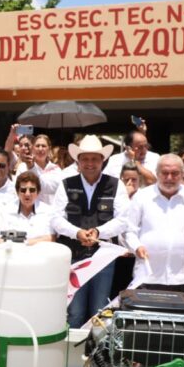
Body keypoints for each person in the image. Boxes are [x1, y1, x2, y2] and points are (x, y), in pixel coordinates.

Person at [53, 135, 130, 327]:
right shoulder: (66, 184)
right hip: (74, 255)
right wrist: (76, 232)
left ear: (102, 161)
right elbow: (55, 218)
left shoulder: (115, 185)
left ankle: (96, 356)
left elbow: (124, 219)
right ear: (77, 161)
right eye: (85, 159)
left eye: (94, 159)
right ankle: (71, 355)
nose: (89, 163)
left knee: (99, 311)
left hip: (103, 256)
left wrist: (98, 231)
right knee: (75, 311)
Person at [123, 154, 184, 292]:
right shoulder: (142, 196)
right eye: (165, 173)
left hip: (182, 275)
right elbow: (128, 230)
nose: (169, 178)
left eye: (174, 173)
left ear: (182, 174)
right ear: (157, 173)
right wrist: (136, 246)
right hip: (147, 274)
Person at [27, 134, 63, 205]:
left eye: (43, 146)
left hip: (51, 212)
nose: (40, 149)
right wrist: (31, 168)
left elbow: (55, 189)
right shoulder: (24, 167)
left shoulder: (56, 169)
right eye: (37, 146)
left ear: (49, 148)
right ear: (33, 148)